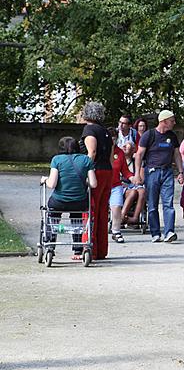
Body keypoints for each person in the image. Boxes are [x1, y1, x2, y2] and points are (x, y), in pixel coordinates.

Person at [41, 137, 98, 259]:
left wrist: (45, 180)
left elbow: (52, 184)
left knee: (52, 216)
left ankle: (50, 244)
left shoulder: (57, 160)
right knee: (76, 218)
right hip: (80, 201)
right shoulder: (86, 160)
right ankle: (77, 249)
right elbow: (93, 184)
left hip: (59, 201)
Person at [133, 110, 184, 243]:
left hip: (167, 172)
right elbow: (139, 155)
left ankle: (169, 232)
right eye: (172, 120)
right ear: (164, 121)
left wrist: (180, 172)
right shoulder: (149, 135)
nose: (174, 123)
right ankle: (155, 233)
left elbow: (177, 154)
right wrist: (137, 174)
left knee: (168, 203)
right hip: (151, 172)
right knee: (152, 204)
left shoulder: (172, 136)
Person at [81, 101, 113, 260]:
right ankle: (101, 250)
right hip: (107, 171)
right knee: (101, 211)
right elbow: (111, 155)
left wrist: (84, 171)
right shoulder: (106, 131)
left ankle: (89, 248)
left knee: (90, 210)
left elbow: (91, 152)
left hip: (95, 171)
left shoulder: (89, 129)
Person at [107, 130, 135, 244]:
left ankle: (116, 231)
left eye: (115, 138)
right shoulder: (102, 151)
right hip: (103, 185)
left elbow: (125, 171)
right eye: (111, 138)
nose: (113, 141)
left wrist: (133, 177)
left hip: (115, 185)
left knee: (117, 207)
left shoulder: (120, 153)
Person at [120, 141, 146, 227]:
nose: (124, 146)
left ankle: (135, 218)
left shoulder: (137, 162)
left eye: (127, 145)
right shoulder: (118, 160)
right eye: (123, 145)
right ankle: (122, 216)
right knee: (133, 192)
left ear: (133, 150)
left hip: (134, 185)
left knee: (142, 191)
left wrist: (135, 180)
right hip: (122, 185)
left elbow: (141, 180)